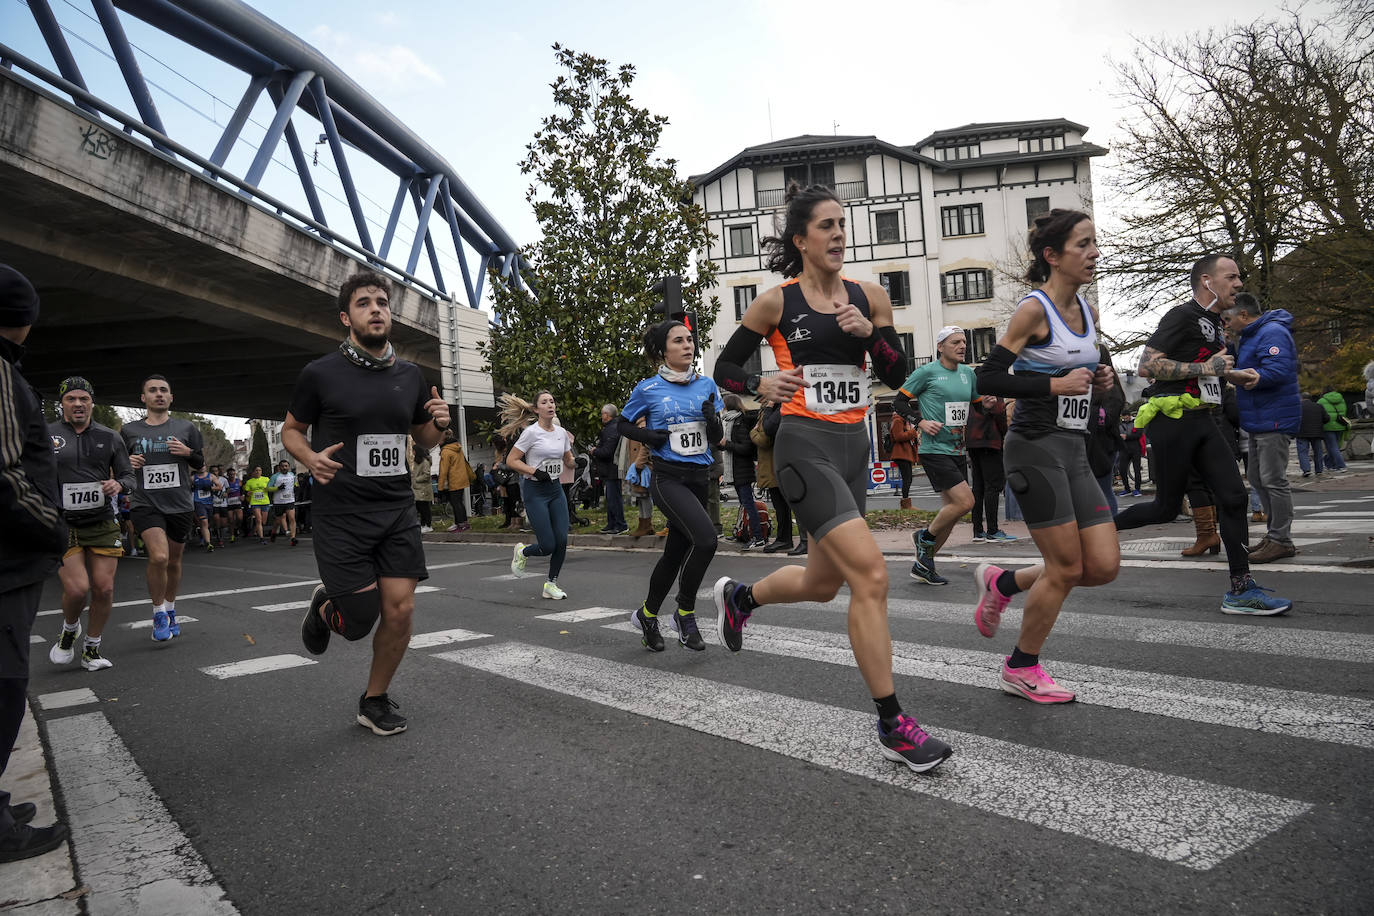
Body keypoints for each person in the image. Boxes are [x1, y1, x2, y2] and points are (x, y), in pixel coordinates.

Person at [712, 182, 952, 772]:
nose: (839, 234)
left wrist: (870, 335)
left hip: (852, 447)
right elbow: (723, 366)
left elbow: (897, 375)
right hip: (803, 447)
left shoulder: (869, 297)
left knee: (823, 583)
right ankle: (894, 724)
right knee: (870, 576)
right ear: (801, 240)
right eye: (826, 226)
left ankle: (740, 597)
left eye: (843, 224)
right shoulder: (775, 303)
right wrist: (758, 385)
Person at [285, 269, 450, 736]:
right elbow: (291, 431)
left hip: (396, 507)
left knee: (400, 609)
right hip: (341, 512)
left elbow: (421, 437)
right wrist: (310, 459)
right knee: (358, 622)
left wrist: (437, 423)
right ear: (346, 317)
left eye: (382, 301)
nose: (376, 308)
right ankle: (325, 607)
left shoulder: (411, 375)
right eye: (364, 303)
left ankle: (373, 700)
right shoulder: (319, 374)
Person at [969, 209, 1119, 703]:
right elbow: (987, 378)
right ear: (1053, 256)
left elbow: (1085, 376)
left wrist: (1099, 380)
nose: (1094, 252)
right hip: (1033, 448)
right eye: (1084, 244)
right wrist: (1053, 384)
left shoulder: (1088, 312)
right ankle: (1021, 667)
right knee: (1067, 567)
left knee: (1101, 565)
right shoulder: (1034, 311)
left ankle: (1004, 582)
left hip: (1073, 448)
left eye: (1095, 242)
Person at [1113, 253, 1292, 615]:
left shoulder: (1216, 324)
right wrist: (1205, 366)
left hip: (1204, 419)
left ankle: (1241, 589)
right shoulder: (1181, 315)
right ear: (1208, 282)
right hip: (1172, 419)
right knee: (1165, 508)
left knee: (1234, 497)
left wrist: (1238, 375)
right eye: (1232, 277)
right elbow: (1146, 366)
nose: (1239, 284)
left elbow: (1209, 372)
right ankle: (1093, 530)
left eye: (1239, 278)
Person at [0, 264, 71, 861]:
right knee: (4, 684)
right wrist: (53, 525)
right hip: (7, 559)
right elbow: (4, 475)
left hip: (12, 559)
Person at [621, 320, 726, 651]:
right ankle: (685, 613)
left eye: (690, 340)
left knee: (675, 554)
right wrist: (649, 436)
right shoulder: (648, 389)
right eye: (678, 341)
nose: (687, 345)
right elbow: (622, 425)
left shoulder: (707, 385)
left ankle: (647, 615)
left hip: (699, 477)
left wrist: (712, 421)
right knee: (707, 540)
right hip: (667, 477)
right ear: (663, 351)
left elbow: (718, 438)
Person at [46, 376, 135, 672]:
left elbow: (129, 476)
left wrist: (117, 483)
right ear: (62, 404)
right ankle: (70, 629)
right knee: (76, 590)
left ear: (92, 403)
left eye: (84, 399)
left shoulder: (111, 436)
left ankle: (92, 649)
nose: (78, 404)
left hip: (101, 521)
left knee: (104, 589)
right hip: (62, 523)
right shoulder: (47, 435)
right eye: (71, 399)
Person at [122, 375, 206, 641]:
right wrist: (127, 462)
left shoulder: (186, 428)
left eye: (164, 390)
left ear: (171, 398)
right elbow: (118, 465)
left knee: (174, 561)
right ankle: (158, 611)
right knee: (158, 557)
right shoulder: (129, 431)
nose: (159, 394)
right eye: (152, 390)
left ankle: (170, 608)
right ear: (143, 398)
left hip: (179, 503)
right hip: (145, 502)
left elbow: (200, 462)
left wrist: (187, 452)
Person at [894, 327, 978, 586]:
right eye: (955, 342)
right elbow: (898, 403)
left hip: (957, 450)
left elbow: (974, 404)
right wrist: (920, 422)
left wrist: (987, 403)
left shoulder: (968, 374)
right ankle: (924, 537)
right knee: (965, 503)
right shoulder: (927, 372)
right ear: (941, 346)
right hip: (933, 450)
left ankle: (924, 566)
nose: (962, 346)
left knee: (951, 515)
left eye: (964, 341)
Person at [1223, 293, 1301, 563]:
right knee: (1257, 478)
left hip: (1274, 417)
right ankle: (1275, 536)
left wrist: (1248, 377)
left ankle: (1281, 539)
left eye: (1229, 318)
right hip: (1260, 417)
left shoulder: (1272, 332)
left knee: (1273, 479)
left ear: (1243, 315)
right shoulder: (1250, 336)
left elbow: (1278, 370)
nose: (1227, 323)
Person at [501, 392, 575, 599]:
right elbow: (512, 460)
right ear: (536, 409)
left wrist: (577, 463)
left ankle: (551, 584)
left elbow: (568, 458)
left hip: (555, 490)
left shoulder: (561, 433)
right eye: (544, 402)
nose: (550, 404)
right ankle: (523, 552)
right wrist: (534, 471)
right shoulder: (531, 433)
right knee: (547, 545)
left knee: (561, 540)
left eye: (552, 401)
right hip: (535, 492)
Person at [965, 394, 1014, 543]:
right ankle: (993, 530)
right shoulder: (994, 390)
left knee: (978, 487)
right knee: (992, 486)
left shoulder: (973, 390)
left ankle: (978, 530)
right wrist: (1004, 433)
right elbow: (1000, 415)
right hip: (990, 441)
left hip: (972, 442)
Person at [721, 394, 765, 548]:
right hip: (737, 469)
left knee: (748, 504)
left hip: (742, 469)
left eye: (723, 404)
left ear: (728, 405)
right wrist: (723, 444)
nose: (722, 408)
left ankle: (758, 537)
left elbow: (745, 447)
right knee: (744, 504)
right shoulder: (730, 421)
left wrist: (727, 444)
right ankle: (744, 533)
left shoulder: (739, 422)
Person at [752, 399, 795, 552]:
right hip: (773, 464)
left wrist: (753, 432)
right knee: (781, 506)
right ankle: (783, 538)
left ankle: (784, 539)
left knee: (781, 506)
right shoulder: (773, 410)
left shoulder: (776, 409)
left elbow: (764, 436)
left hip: (774, 465)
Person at [592, 404, 627, 534]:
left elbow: (607, 451)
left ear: (607, 415)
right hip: (610, 469)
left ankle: (620, 524)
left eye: (602, 414)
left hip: (611, 468)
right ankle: (612, 523)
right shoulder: (614, 427)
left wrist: (595, 451)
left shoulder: (611, 429)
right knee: (611, 497)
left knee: (614, 498)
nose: (601, 416)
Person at [437, 429, 474, 532]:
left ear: (443, 439)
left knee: (456, 503)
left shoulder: (446, 451)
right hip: (461, 478)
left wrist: (440, 488)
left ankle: (462, 524)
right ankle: (460, 523)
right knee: (458, 502)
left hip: (453, 480)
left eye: (438, 438)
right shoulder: (457, 447)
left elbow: (443, 471)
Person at [887, 408, 918, 509]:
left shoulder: (902, 420)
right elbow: (898, 436)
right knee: (907, 478)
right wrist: (913, 432)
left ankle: (906, 504)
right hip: (901, 453)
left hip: (904, 453)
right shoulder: (898, 420)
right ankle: (906, 505)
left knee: (908, 478)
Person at [1318, 390, 1350, 473]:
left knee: (1333, 447)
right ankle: (1330, 464)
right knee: (1334, 447)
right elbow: (1345, 410)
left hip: (1327, 426)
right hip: (1340, 425)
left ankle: (1341, 465)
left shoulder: (1321, 401)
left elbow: (1318, 413)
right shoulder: (1341, 399)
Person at [1296, 394, 1327, 478]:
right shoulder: (1319, 406)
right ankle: (1319, 470)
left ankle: (1306, 470)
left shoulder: (1298, 407)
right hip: (1317, 432)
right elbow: (1326, 418)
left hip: (1301, 433)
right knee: (1318, 452)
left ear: (1301, 398)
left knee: (1303, 452)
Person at [269, 459, 299, 545]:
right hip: (279, 502)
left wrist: (296, 487)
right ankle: (273, 533)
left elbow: (295, 484)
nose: (284, 468)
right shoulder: (275, 477)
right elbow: (267, 488)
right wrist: (277, 488)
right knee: (278, 521)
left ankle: (293, 538)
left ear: (289, 467)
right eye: (282, 466)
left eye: (286, 466)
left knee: (292, 518)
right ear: (279, 467)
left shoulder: (292, 475)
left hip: (290, 500)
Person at [190, 465, 218, 551]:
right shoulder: (192, 478)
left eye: (203, 466)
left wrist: (211, 488)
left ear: (205, 467)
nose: (201, 467)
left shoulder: (211, 476)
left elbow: (219, 486)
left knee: (208, 522)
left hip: (209, 503)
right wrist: (191, 488)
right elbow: (186, 488)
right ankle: (208, 544)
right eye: (200, 466)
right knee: (204, 522)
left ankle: (204, 535)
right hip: (198, 503)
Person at [408, 440, 434, 533]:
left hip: (423, 488)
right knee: (420, 508)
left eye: (414, 450)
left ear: (417, 451)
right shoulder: (417, 461)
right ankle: (423, 525)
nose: (413, 452)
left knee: (425, 508)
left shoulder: (425, 462)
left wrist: (416, 479)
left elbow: (427, 475)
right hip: (417, 489)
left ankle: (428, 525)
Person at [1118, 411, 1144, 496]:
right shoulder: (1119, 424)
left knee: (1136, 469)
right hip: (1124, 449)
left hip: (1135, 449)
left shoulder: (1136, 422)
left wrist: (1127, 437)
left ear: (1130, 416)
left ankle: (1137, 489)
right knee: (1122, 469)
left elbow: (1139, 434)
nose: (1125, 419)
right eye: (1123, 418)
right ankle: (1127, 489)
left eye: (1126, 417)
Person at [242, 465, 271, 543]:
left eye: (260, 470)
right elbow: (246, 491)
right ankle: (261, 537)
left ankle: (255, 530)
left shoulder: (266, 479)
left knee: (263, 521)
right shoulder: (249, 482)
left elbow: (271, 487)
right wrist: (247, 493)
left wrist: (268, 489)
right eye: (256, 470)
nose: (258, 472)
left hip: (265, 502)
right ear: (253, 472)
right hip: (255, 502)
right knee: (258, 519)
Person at [223, 467, 243, 542]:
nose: (232, 475)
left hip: (237, 502)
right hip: (229, 503)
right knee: (231, 520)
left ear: (235, 474)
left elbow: (242, 490)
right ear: (228, 475)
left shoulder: (239, 481)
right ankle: (232, 536)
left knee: (240, 518)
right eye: (230, 474)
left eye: (233, 474)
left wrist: (242, 495)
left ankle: (236, 528)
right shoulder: (226, 482)